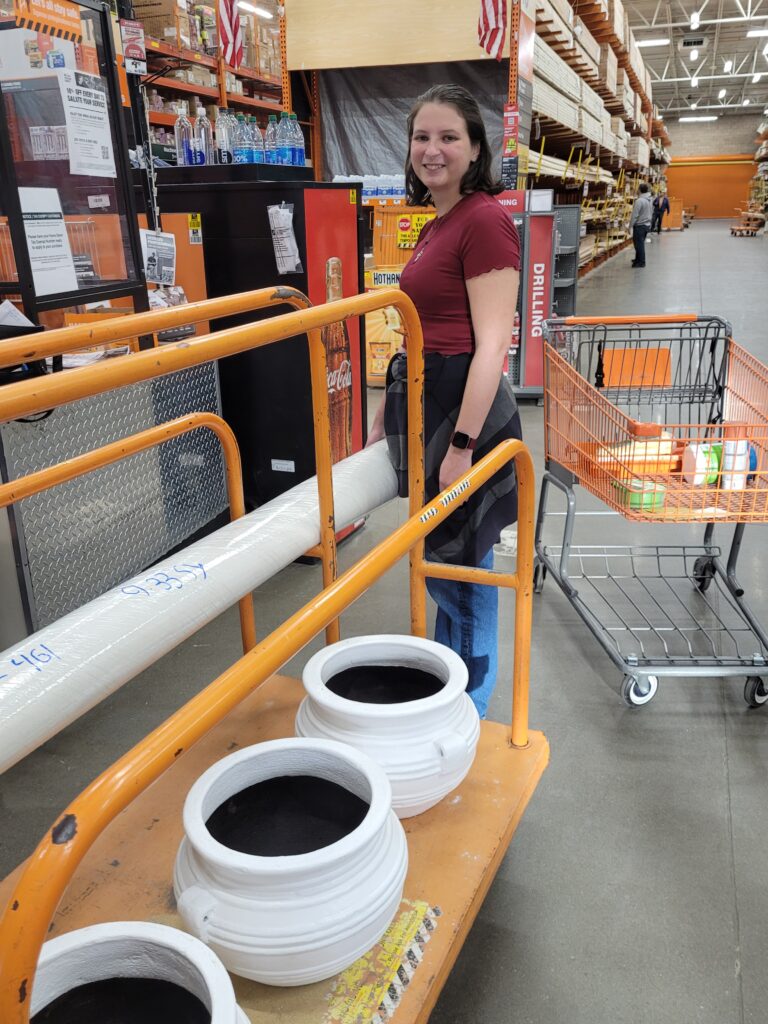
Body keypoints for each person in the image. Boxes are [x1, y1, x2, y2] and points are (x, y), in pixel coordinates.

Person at [366, 84, 522, 718]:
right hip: (429, 401)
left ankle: (470, 710)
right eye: (421, 137)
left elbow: (492, 348)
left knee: (461, 566)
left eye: (448, 137)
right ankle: (448, 693)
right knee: (443, 561)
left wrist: (461, 443)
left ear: (476, 147)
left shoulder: (484, 219)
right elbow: (418, 327)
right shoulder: (440, 220)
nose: (432, 150)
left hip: (464, 409)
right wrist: (387, 410)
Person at [629, 182, 653, 268]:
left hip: (639, 226)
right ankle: (637, 259)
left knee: (639, 245)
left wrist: (630, 226)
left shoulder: (639, 201)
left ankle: (641, 262)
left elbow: (634, 215)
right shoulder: (649, 199)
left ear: (639, 190)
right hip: (646, 225)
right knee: (639, 244)